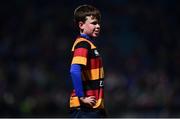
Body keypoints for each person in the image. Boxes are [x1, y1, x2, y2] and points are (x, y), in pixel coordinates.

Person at [69, 4, 107, 118]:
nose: (98, 26)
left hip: (94, 107)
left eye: (99, 23)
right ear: (81, 25)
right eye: (94, 23)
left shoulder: (89, 44)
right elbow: (74, 70)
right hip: (85, 109)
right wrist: (82, 97)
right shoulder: (82, 44)